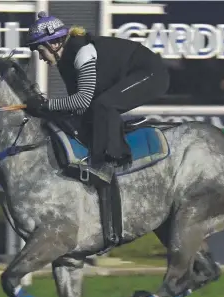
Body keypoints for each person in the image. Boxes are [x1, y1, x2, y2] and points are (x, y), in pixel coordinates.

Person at [24, 12, 170, 184]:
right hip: (130, 73)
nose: (41, 58)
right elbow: (79, 108)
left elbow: (82, 100)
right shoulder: (65, 60)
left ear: (54, 44)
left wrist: (46, 105)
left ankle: (110, 162)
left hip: (151, 74)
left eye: (41, 51)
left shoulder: (82, 52)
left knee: (104, 104)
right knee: (92, 111)